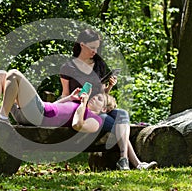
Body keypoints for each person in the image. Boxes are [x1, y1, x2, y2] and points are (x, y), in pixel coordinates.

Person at [59, 29, 157, 170]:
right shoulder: (68, 67)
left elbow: (103, 94)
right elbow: (65, 94)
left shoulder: (99, 64)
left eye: (97, 47)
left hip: (100, 106)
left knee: (122, 114)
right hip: (83, 110)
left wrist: (110, 86)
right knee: (114, 123)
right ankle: (136, 163)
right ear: (82, 45)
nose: (95, 51)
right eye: (92, 47)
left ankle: (124, 159)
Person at [0, 69, 110, 133]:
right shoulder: (77, 105)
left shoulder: (95, 119)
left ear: (104, 109)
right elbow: (54, 108)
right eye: (94, 96)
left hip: (39, 115)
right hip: (35, 112)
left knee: (14, 74)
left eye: (98, 99)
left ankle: (3, 118)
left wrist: (83, 104)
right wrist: (70, 98)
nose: (93, 98)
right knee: (1, 74)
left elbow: (77, 125)